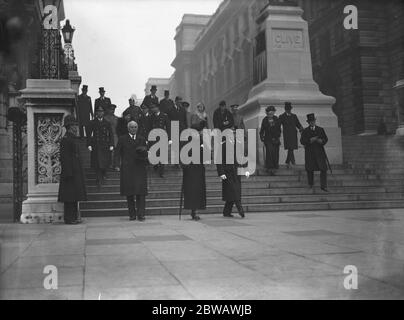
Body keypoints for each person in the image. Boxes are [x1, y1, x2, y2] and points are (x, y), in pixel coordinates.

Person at [114, 121, 148, 221]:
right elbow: (117, 153)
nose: (134, 129)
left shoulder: (141, 139)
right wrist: (116, 164)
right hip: (128, 169)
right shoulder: (122, 139)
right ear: (128, 128)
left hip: (140, 168)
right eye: (132, 127)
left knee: (141, 193)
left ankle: (141, 214)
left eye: (135, 127)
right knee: (129, 193)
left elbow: (146, 152)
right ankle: (132, 214)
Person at [58, 115, 86, 225]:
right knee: (69, 197)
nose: (76, 127)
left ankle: (73, 217)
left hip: (75, 172)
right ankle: (69, 218)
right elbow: (65, 158)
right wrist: (69, 173)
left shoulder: (72, 138)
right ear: (69, 127)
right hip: (70, 173)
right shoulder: (66, 139)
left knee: (74, 196)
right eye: (74, 125)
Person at [300, 113, 329, 192]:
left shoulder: (320, 129)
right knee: (310, 169)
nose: (312, 122)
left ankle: (324, 186)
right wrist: (310, 140)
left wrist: (321, 141)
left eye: (313, 121)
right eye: (310, 121)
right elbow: (302, 141)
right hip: (310, 153)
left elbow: (325, 139)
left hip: (319, 153)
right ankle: (310, 184)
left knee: (323, 168)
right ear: (308, 122)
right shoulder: (305, 131)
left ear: (315, 121)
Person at [87, 106, 114, 189]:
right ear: (96, 113)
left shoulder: (107, 123)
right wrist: (89, 144)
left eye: (101, 111)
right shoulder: (92, 122)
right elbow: (89, 134)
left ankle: (104, 173)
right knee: (97, 163)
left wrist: (111, 144)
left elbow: (111, 135)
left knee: (105, 161)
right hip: (96, 145)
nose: (100, 113)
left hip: (105, 145)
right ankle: (98, 179)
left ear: (103, 113)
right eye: (98, 111)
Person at [217, 140, 245, 218]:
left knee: (232, 191)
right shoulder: (223, 145)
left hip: (236, 172)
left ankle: (226, 211)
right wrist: (221, 172)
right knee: (234, 190)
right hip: (227, 173)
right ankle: (240, 208)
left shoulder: (238, 144)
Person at [181, 144, 206, 221]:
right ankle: (194, 211)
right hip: (193, 173)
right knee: (194, 193)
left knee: (195, 193)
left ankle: (194, 211)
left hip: (195, 172)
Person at [148, 103, 170, 177]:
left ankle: (161, 172)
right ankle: (156, 165)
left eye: (154, 107)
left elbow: (168, 127)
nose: (152, 109)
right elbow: (149, 128)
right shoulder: (151, 117)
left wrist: (170, 138)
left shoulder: (164, 116)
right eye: (151, 108)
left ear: (157, 108)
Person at [279, 102, 303, 168]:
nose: (288, 110)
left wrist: (302, 129)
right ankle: (292, 161)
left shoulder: (294, 116)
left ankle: (289, 162)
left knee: (291, 148)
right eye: (287, 109)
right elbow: (278, 125)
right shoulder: (282, 116)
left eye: (289, 109)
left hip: (293, 134)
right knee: (290, 148)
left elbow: (298, 124)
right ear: (285, 109)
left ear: (291, 109)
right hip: (287, 135)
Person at [260, 106, 281, 176]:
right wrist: (261, 136)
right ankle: (270, 168)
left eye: (272, 113)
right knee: (269, 153)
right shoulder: (265, 120)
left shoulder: (276, 119)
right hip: (268, 139)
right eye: (269, 114)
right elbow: (262, 130)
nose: (270, 115)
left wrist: (277, 137)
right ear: (267, 113)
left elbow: (279, 130)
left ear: (274, 113)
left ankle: (275, 167)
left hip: (275, 139)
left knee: (275, 153)